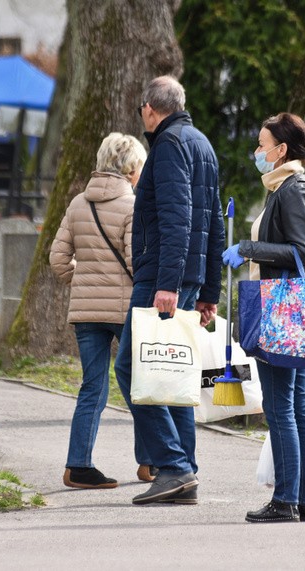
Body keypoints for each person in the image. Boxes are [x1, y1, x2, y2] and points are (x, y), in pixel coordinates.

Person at [113, 75, 225, 506]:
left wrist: (167, 285)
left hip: (163, 277)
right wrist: (207, 290)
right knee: (172, 372)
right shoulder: (201, 144)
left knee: (133, 367)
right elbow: (213, 223)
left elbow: (177, 220)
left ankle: (174, 466)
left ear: (149, 109)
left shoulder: (167, 145)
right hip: (184, 278)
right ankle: (184, 473)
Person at [221, 112, 305, 523]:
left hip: (284, 308)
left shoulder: (293, 189)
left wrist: (248, 248)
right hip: (291, 306)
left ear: (281, 150)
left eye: (262, 145)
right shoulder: (286, 187)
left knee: (282, 405)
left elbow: (302, 251)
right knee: (296, 404)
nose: (257, 152)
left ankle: (286, 499)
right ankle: (304, 501)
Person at [50, 133, 148, 489]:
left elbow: (58, 258)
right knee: (139, 384)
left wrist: (85, 281)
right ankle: (150, 461)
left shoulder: (78, 203)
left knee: (92, 387)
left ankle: (78, 465)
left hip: (86, 312)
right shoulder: (132, 205)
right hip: (125, 311)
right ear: (131, 168)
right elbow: (136, 262)